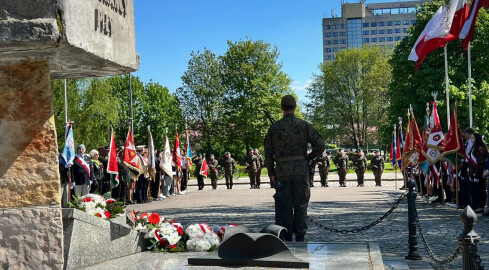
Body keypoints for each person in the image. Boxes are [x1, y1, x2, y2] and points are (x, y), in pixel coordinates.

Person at [264, 95, 325, 242]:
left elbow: (268, 153)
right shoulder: (303, 125)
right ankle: (300, 235)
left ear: (281, 108)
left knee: (285, 204)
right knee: (301, 203)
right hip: (300, 170)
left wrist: (271, 173)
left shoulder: (274, 127)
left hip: (282, 172)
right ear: (295, 107)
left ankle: (287, 234)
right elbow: (320, 145)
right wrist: (308, 158)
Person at [468, 133, 488, 213]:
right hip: (473, 173)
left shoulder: (480, 148)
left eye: (472, 138)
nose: (471, 139)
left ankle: (480, 206)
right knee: (473, 190)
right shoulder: (474, 147)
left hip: (479, 174)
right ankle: (475, 205)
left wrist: (477, 174)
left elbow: (481, 163)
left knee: (480, 190)